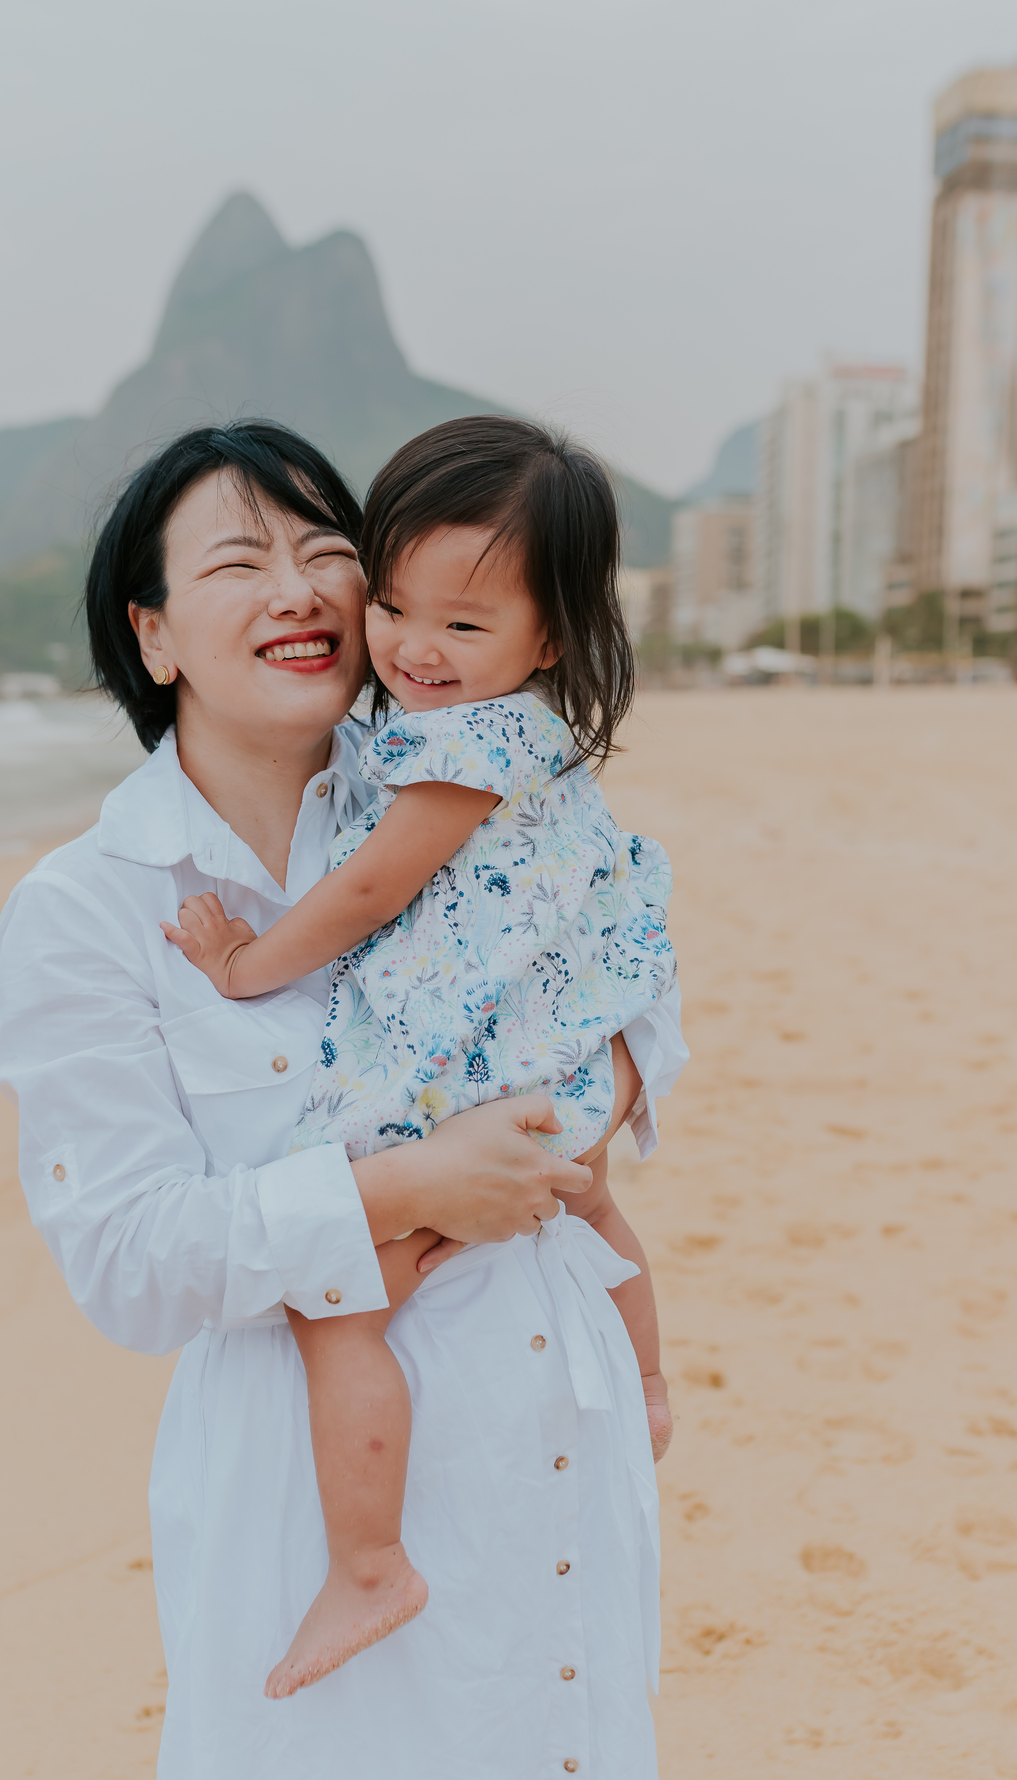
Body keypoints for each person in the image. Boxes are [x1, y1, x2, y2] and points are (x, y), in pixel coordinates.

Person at [0, 420, 688, 1780]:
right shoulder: (94, 908)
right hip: (322, 1505)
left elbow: (635, 1015)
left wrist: (574, 1117)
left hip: (553, 1447)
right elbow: (129, 1264)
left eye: (327, 551)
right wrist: (407, 1190)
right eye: (241, 561)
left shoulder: (457, 788)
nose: (302, 587)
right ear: (156, 636)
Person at [160, 417, 677, 1700]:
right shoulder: (525, 737)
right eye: (394, 604)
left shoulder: (468, 747)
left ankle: (371, 1559)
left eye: (462, 624)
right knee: (593, 1204)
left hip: (494, 1076)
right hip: (546, 1063)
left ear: (548, 639)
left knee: (342, 1303)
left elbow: (369, 891)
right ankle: (654, 1380)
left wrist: (245, 965)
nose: (412, 647)